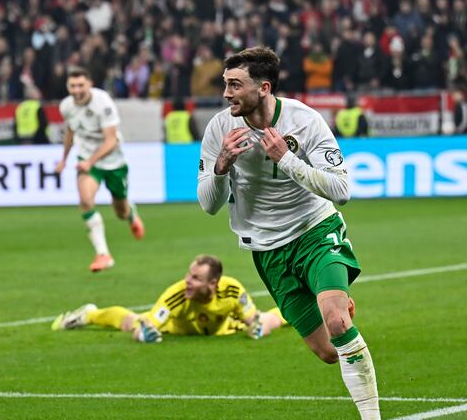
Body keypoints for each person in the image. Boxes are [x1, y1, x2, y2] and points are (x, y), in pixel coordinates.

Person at [197, 46, 379, 419]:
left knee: (338, 322)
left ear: (263, 88)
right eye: (225, 85)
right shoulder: (219, 128)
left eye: (235, 85)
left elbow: (342, 191)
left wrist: (287, 159)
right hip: (266, 248)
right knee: (329, 352)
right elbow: (208, 205)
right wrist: (220, 167)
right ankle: (336, 310)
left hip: (315, 230)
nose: (226, 94)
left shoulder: (305, 121)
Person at [52, 254, 287, 343]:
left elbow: (254, 320)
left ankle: (308, 311)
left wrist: (258, 328)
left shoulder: (232, 290)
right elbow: (145, 328)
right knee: (131, 321)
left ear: (212, 284)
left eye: (195, 278)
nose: (187, 281)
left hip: (223, 327)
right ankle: (89, 314)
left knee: (271, 319)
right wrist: (145, 334)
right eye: (188, 274)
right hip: (176, 329)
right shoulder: (177, 295)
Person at [55, 67, 145, 273]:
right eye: (72, 86)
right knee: (86, 200)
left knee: (120, 211)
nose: (76, 90)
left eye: (80, 85)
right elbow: (70, 131)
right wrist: (64, 160)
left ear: (90, 84)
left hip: (113, 163)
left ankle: (131, 214)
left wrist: (90, 161)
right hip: (87, 159)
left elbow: (111, 140)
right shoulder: (66, 106)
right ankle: (103, 253)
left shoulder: (103, 103)